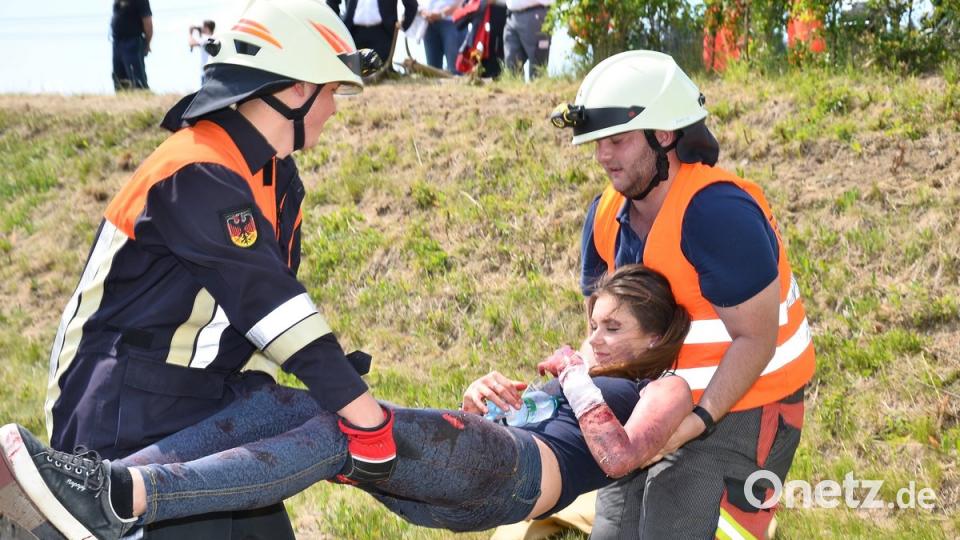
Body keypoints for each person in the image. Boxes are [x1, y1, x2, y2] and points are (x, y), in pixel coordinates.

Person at [2, 265, 693, 539]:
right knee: (286, 407)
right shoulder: (581, 377)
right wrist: (490, 401)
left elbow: (622, 455)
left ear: (656, 336)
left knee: (344, 430)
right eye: (592, 322)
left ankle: (123, 497)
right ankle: (82, 490)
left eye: (614, 328)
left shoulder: (664, 386)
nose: (595, 339)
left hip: (513, 480)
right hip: (483, 475)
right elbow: (537, 430)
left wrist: (572, 375)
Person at [43, 0, 389, 538]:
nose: (336, 109)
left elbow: (264, 304)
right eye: (332, 90)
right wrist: (366, 419)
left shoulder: (273, 175)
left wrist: (336, 382)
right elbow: (270, 304)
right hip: (124, 418)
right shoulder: (197, 167)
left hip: (200, 409)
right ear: (296, 87)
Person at [550, 50, 815, 539]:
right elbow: (603, 336)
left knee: (673, 523)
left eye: (617, 140)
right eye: (596, 142)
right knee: (614, 531)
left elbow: (756, 340)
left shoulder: (718, 213)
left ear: (665, 135)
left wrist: (694, 422)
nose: (603, 156)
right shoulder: (605, 215)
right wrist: (557, 391)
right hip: (656, 403)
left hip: (743, 407)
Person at [327, 0, 419, 70]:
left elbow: (411, 4)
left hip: (382, 34)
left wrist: (403, 25)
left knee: (379, 74)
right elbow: (332, 2)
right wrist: (337, 25)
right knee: (353, 76)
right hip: (352, 33)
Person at [503, 0, 553, 80]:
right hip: (512, 15)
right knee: (512, 65)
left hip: (536, 13)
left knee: (537, 68)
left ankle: (538, 90)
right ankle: (516, 90)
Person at [110, 0, 152, 91]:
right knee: (119, 79)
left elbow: (148, 22)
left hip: (132, 41)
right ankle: (123, 100)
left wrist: (147, 44)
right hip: (117, 42)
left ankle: (142, 98)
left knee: (137, 79)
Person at [419, 0, 466, 74]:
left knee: (455, 70)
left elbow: (461, 2)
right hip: (429, 22)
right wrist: (422, 11)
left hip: (453, 21)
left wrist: (441, 14)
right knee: (433, 71)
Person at [188, 19, 216, 85]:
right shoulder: (214, 38)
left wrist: (190, 32)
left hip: (207, 72)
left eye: (203, 26)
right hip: (212, 71)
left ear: (206, 28)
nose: (201, 28)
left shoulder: (206, 38)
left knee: (206, 94)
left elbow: (191, 43)